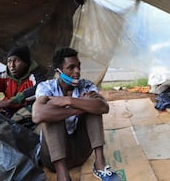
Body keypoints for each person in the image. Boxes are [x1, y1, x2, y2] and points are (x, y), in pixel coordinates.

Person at [32, 47, 121, 181]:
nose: (77, 71)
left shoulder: (86, 86)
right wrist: (78, 107)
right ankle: (63, 176)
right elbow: (37, 115)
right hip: (53, 157)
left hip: (80, 153)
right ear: (58, 72)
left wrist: (68, 101)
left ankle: (100, 165)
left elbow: (103, 107)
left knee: (94, 105)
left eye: (78, 66)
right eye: (71, 68)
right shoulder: (46, 87)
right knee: (52, 116)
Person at [0, 46, 47, 128]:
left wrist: (10, 101)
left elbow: (41, 88)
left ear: (26, 63)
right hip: (8, 110)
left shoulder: (35, 76)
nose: (12, 65)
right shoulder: (4, 75)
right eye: (9, 61)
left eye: (17, 61)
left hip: (27, 112)